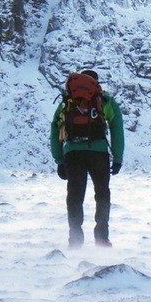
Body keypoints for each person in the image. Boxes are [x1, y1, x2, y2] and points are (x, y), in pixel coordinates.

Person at [50, 69, 125, 249]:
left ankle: (75, 239)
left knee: (75, 196)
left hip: (73, 153)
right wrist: (117, 157)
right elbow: (117, 128)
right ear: (96, 84)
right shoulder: (104, 101)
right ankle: (102, 237)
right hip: (98, 153)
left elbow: (55, 128)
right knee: (102, 193)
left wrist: (59, 159)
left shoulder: (67, 102)